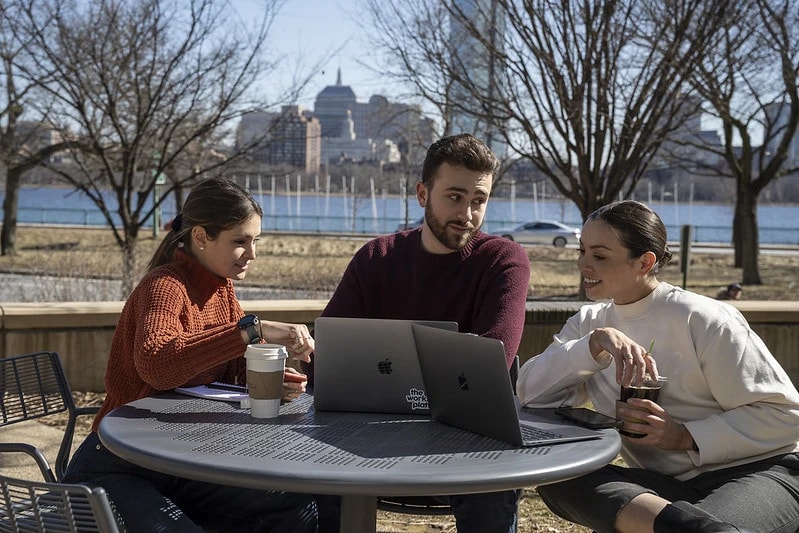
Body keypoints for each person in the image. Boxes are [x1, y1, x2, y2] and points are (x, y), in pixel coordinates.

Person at [516, 200, 799, 533]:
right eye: (581, 251)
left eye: (600, 256)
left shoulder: (705, 319)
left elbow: (786, 417)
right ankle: (684, 527)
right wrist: (590, 347)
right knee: (558, 477)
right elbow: (528, 395)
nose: (583, 265)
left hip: (763, 471)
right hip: (664, 487)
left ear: (645, 262)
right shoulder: (589, 325)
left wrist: (686, 436)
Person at [63, 177, 318, 532]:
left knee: (299, 506)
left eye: (255, 241)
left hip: (183, 462)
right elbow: (158, 365)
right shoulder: (164, 287)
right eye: (240, 242)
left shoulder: (223, 291)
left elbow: (220, 371)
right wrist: (252, 329)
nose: (253, 253)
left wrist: (272, 379)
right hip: (118, 462)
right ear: (200, 237)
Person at [308, 133, 532, 533]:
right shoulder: (377, 258)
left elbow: (494, 357)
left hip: (467, 438)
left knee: (491, 484)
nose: (467, 212)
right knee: (315, 475)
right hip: (372, 430)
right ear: (422, 194)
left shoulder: (504, 260)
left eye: (478, 200)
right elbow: (328, 350)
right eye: (455, 196)